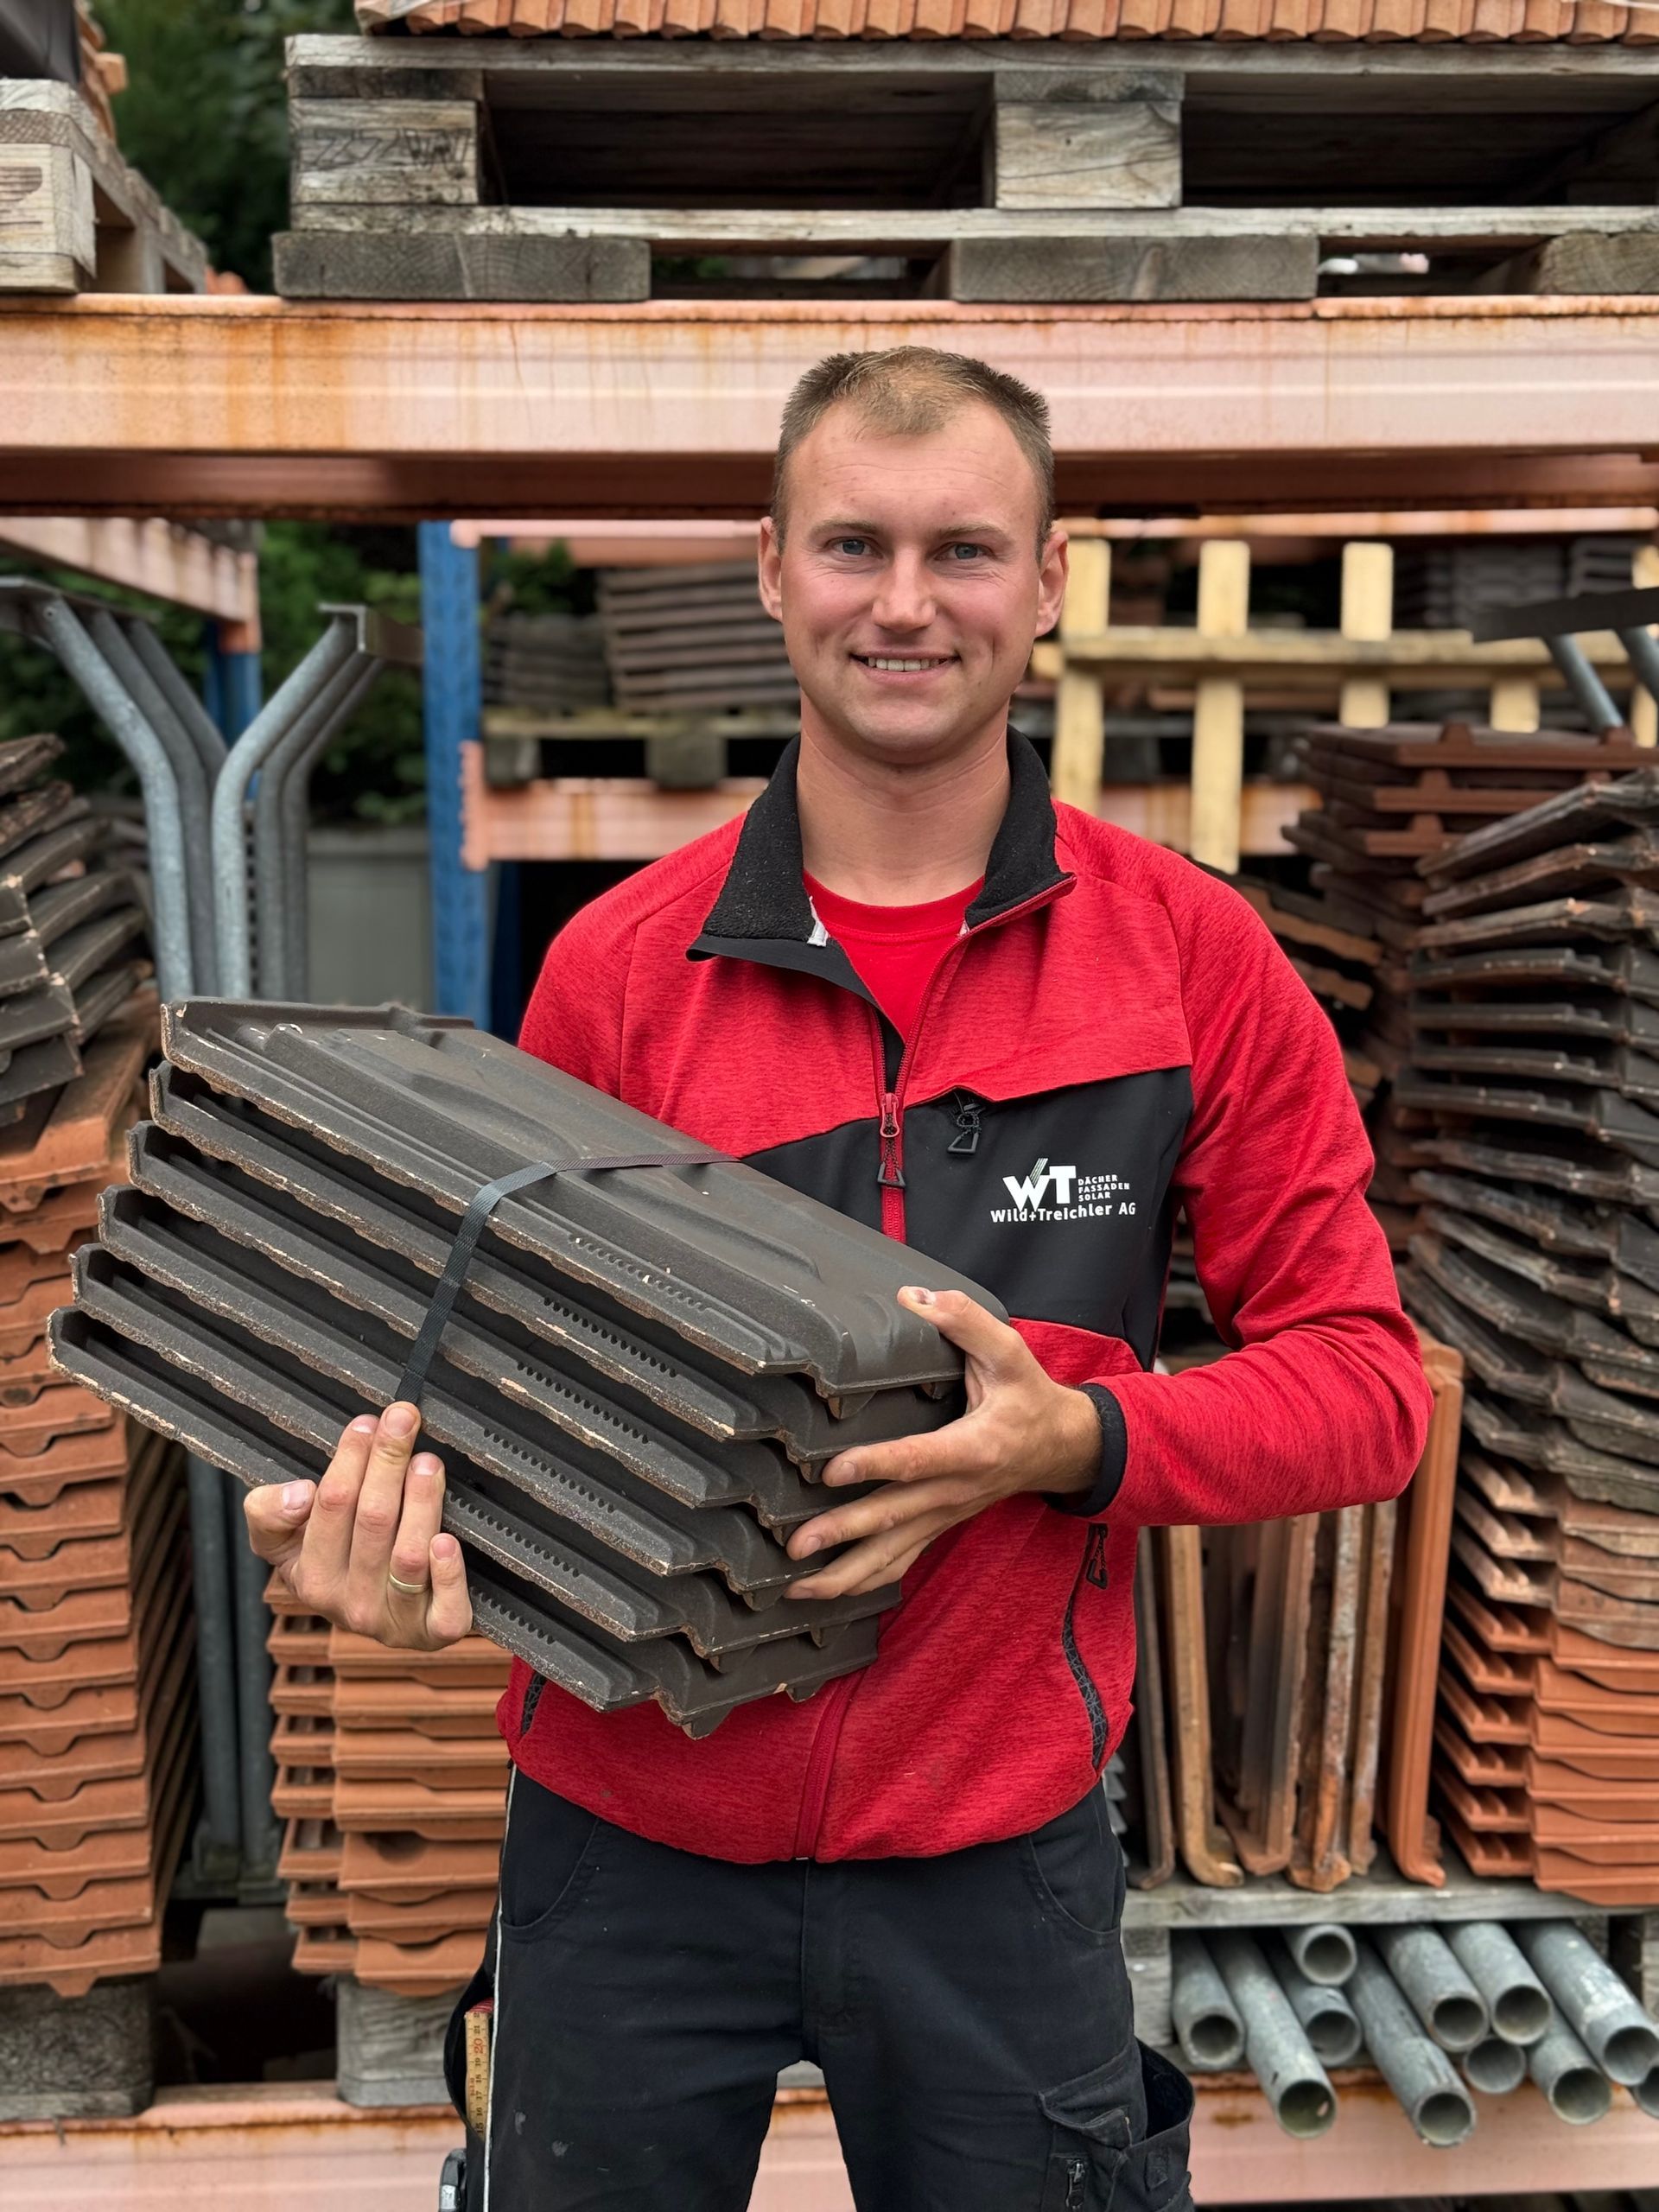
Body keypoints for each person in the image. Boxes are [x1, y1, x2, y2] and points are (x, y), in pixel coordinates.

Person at [245, 346, 1433, 2210]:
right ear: (771, 569)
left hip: (997, 1851)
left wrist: (1079, 1441)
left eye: (965, 549)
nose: (904, 603)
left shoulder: (1191, 962)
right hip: (624, 1849)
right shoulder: (617, 975)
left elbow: (1365, 1383)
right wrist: (411, 1558)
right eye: (853, 545)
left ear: (1050, 580)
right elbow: (505, 1398)